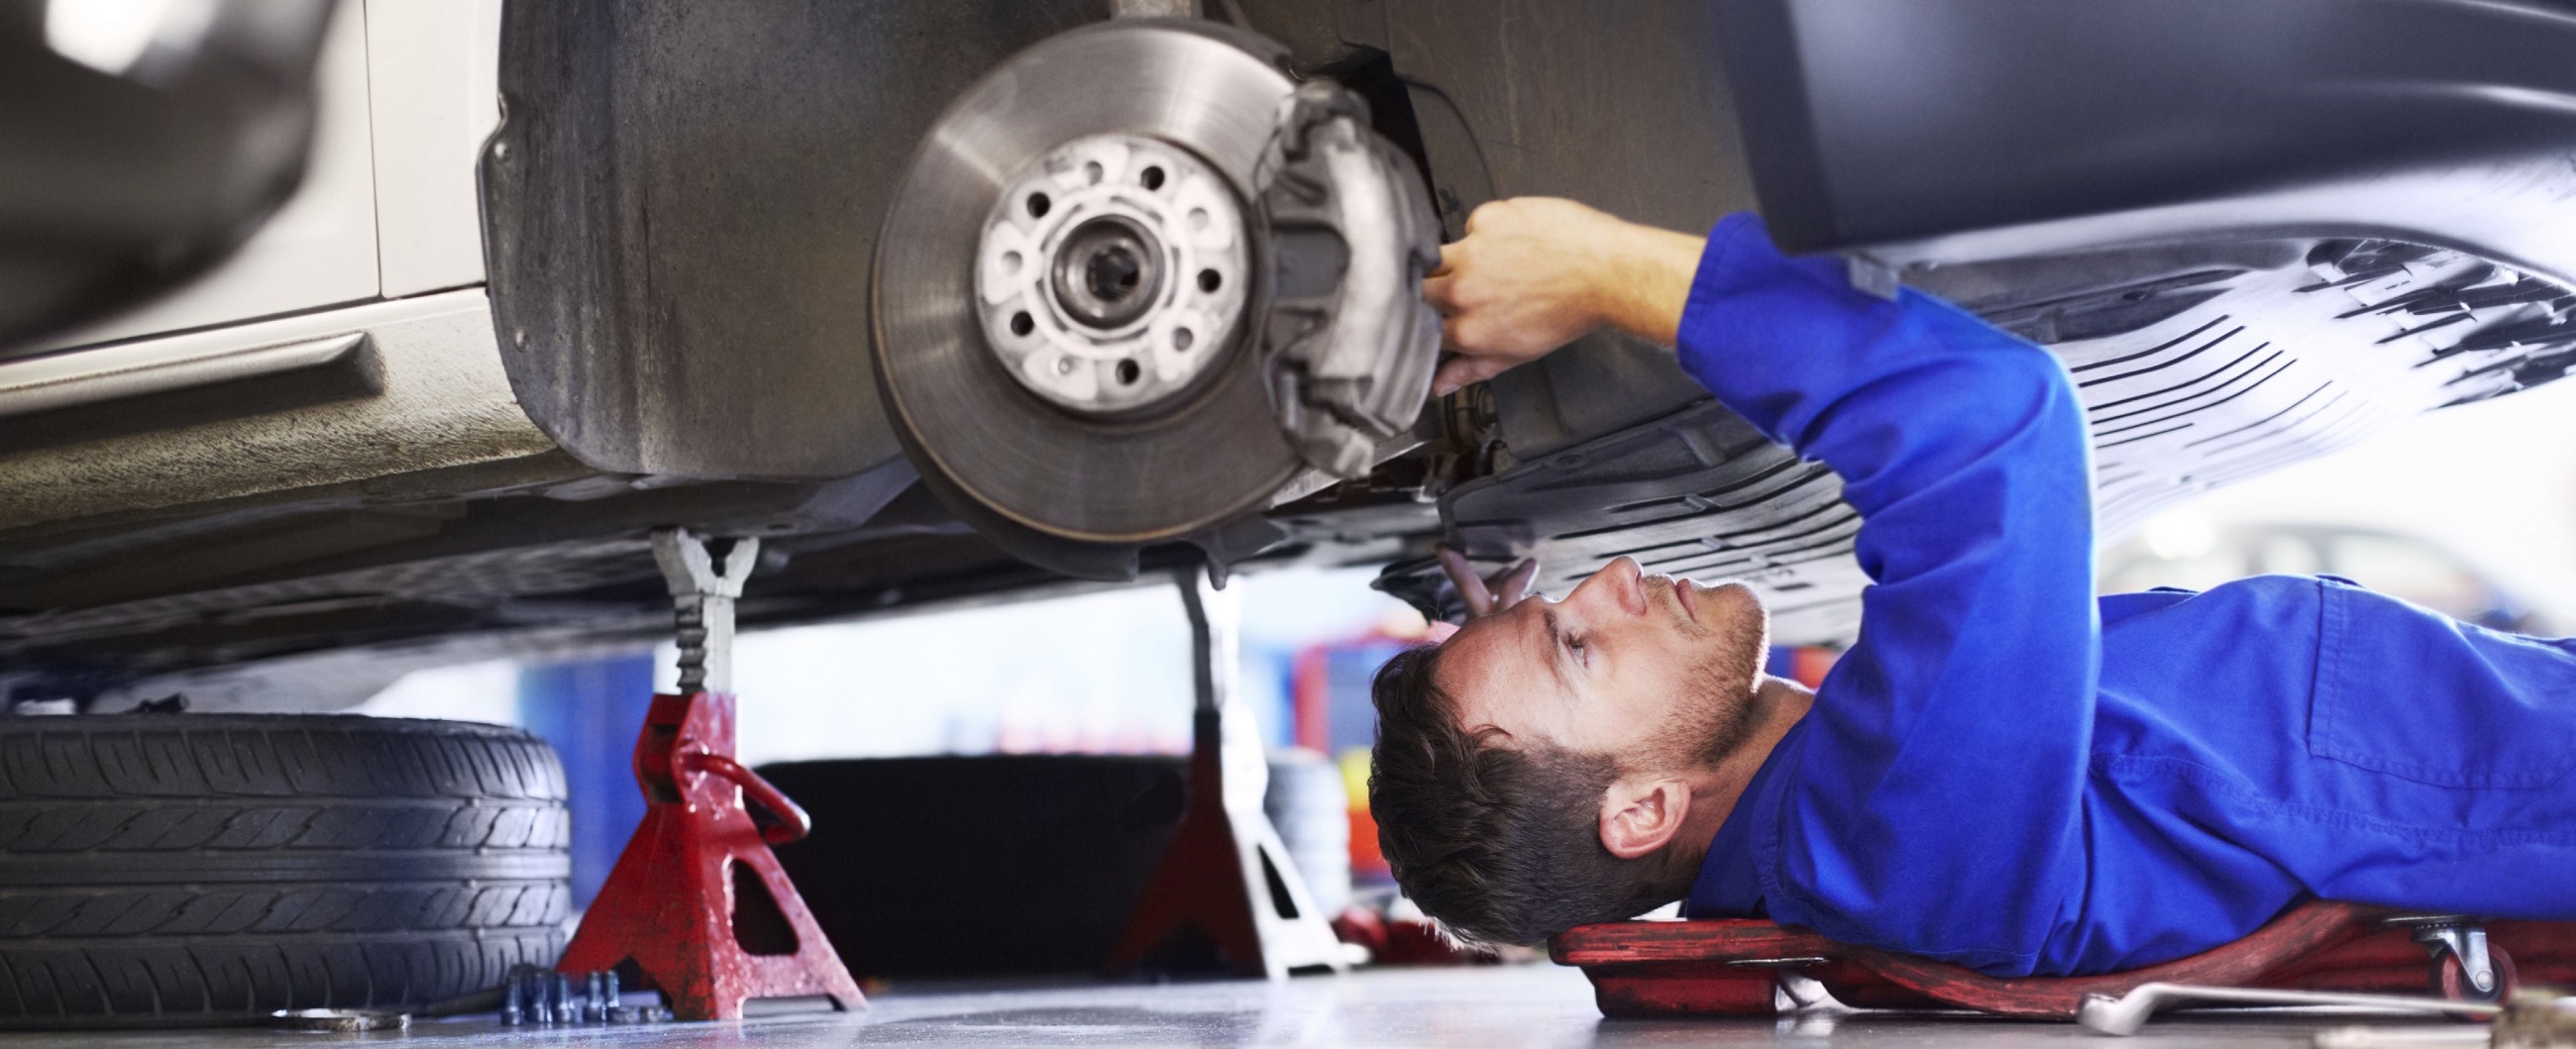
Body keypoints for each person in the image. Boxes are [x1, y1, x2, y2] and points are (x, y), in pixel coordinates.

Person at [1369, 198, 2576, 978]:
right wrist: (1597, 267)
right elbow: (1986, 424)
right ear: (1638, 815)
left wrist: (1517, 641)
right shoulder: (1886, 837)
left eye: (1561, 603)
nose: (1614, 578)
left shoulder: (1854, 801)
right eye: (1578, 646)